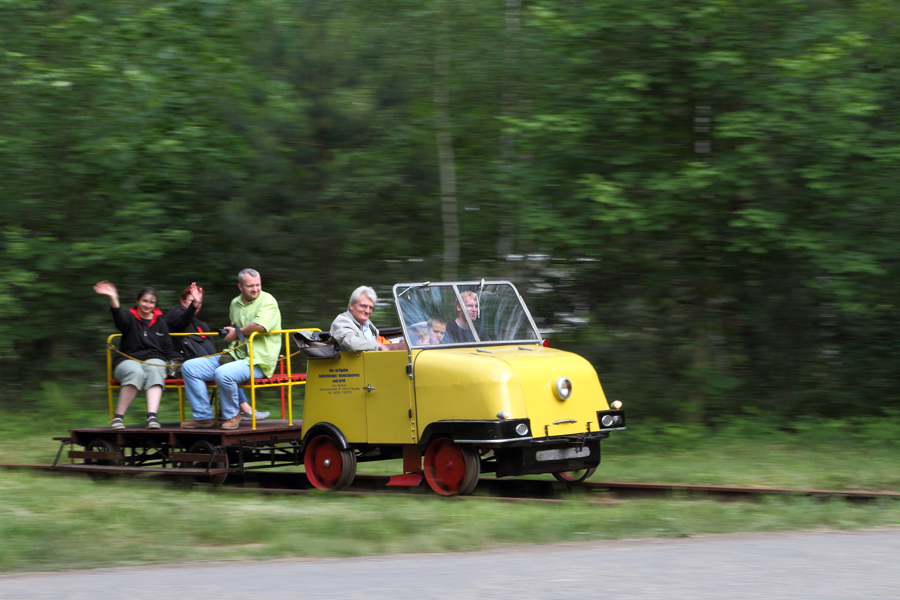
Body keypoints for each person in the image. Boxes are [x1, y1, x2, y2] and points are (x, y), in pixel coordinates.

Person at [180, 269, 281, 430]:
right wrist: (231, 333)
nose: (255, 289)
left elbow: (259, 326)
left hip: (258, 361)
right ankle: (203, 417)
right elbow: (236, 329)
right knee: (189, 367)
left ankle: (233, 415)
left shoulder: (268, 300)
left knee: (223, 373)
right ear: (240, 286)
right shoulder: (235, 303)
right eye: (250, 286)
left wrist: (237, 332)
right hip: (235, 355)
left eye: (258, 285)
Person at [165, 282, 267, 421]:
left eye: (200, 302)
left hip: (199, 360)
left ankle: (234, 409)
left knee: (226, 366)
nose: (197, 305)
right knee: (224, 369)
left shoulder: (200, 324)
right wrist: (193, 305)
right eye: (193, 301)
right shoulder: (175, 313)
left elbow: (209, 345)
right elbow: (181, 322)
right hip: (180, 363)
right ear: (183, 300)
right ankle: (243, 409)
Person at [93, 281, 180, 430]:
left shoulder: (160, 323)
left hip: (152, 359)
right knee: (136, 372)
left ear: (155, 305)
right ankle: (118, 418)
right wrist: (114, 297)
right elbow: (119, 320)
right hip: (128, 359)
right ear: (138, 301)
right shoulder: (129, 317)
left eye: (152, 302)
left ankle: (152, 416)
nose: (148, 305)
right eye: (145, 301)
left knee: (155, 369)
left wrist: (178, 361)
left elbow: (168, 348)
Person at [331, 286, 405, 351]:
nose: (368, 311)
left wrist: (401, 344)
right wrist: (378, 346)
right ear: (351, 305)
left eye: (371, 308)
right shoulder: (341, 321)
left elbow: (379, 341)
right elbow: (351, 342)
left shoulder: (367, 324)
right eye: (363, 306)